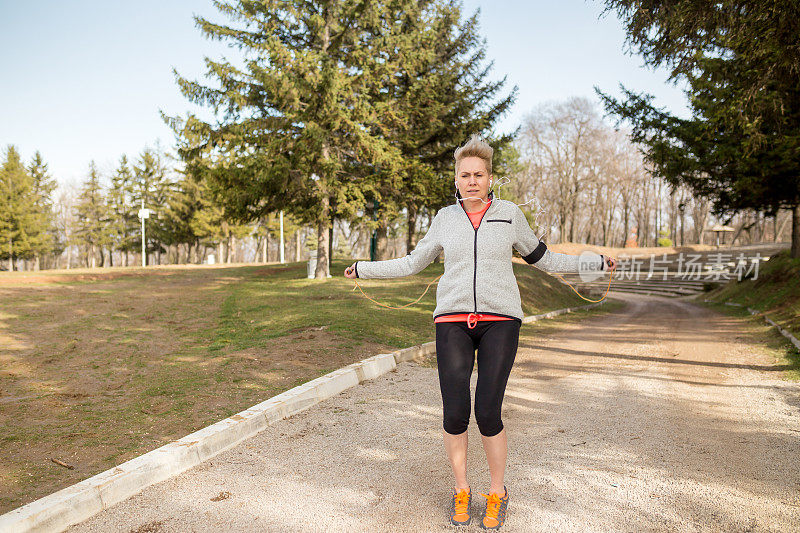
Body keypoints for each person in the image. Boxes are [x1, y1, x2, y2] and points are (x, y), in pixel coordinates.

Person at [344, 134, 617, 530]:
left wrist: (594, 265)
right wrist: (363, 268)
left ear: (490, 178)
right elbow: (412, 263)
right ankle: (461, 489)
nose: (472, 181)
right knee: (455, 412)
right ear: (455, 180)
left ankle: (497, 492)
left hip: (501, 320)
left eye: (479, 174)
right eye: (465, 175)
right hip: (452, 320)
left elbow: (545, 258)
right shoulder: (444, 219)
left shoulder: (509, 214)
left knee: (487, 410)